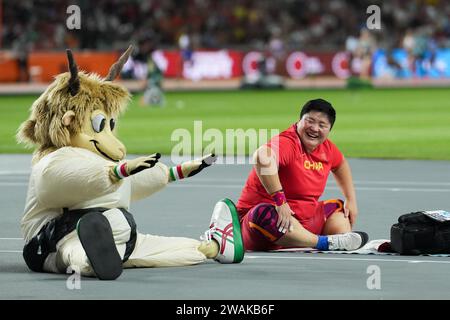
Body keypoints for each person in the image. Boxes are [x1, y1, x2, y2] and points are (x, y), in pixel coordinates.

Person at [236, 98, 368, 251]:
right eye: (310, 121)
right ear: (299, 121)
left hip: (302, 223)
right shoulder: (288, 142)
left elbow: (340, 165)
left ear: (329, 129)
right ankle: (325, 243)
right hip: (264, 227)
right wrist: (280, 201)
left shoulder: (327, 148)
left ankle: (324, 240)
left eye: (322, 125)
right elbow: (262, 157)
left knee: (338, 208)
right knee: (263, 214)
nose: (314, 128)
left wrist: (351, 199)